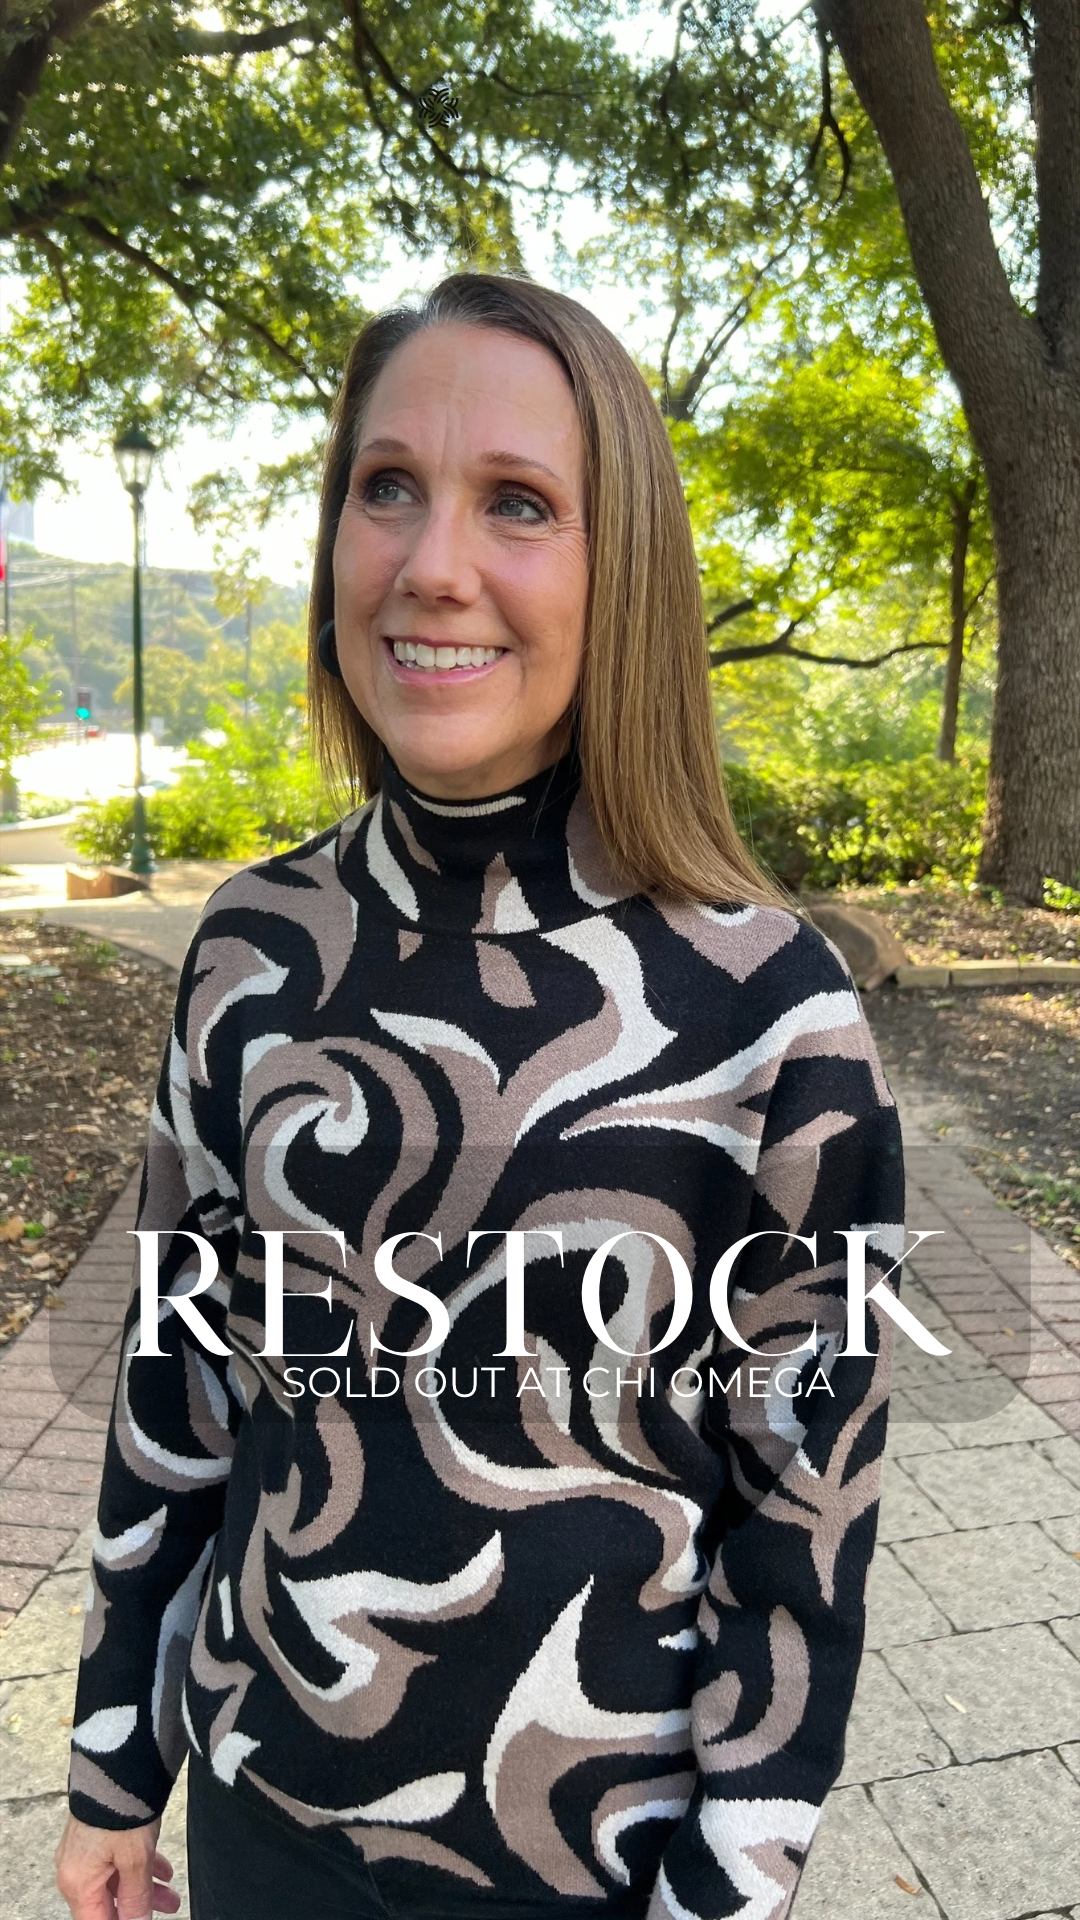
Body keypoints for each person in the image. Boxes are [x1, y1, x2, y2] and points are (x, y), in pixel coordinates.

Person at [55, 272, 904, 1920]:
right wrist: (111, 1774)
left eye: (518, 502)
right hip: (257, 1826)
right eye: (388, 487)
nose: (431, 562)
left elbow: (804, 1528)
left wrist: (728, 1893)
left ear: (622, 571)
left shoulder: (776, 1017)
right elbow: (178, 1394)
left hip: (587, 1869)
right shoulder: (249, 953)